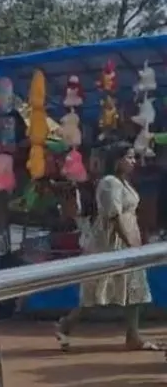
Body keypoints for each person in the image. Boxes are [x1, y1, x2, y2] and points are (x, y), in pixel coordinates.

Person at [56, 142, 159, 351]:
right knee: (97, 292)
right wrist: (130, 243)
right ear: (117, 159)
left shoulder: (124, 182)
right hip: (109, 243)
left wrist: (137, 239)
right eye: (129, 157)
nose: (133, 161)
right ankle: (66, 325)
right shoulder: (109, 183)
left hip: (128, 239)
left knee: (134, 287)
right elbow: (114, 216)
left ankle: (133, 336)